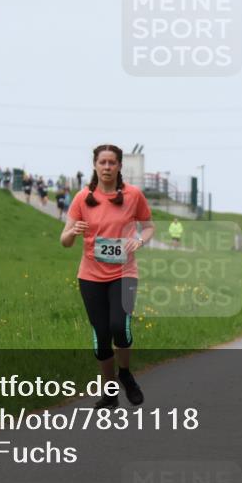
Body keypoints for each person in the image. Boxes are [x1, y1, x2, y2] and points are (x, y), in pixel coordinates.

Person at [61, 144, 154, 409]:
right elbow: (64, 241)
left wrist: (139, 239)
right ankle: (110, 393)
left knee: (119, 327)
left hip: (124, 274)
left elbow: (148, 227)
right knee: (101, 334)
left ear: (120, 166)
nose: (107, 167)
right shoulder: (82, 198)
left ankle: (125, 374)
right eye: (102, 162)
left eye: (112, 162)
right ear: (94, 165)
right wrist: (71, 232)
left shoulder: (133, 195)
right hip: (90, 276)